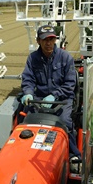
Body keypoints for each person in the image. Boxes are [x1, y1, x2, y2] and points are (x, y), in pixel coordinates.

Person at [20, 24, 81, 172]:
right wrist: (28, 92)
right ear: (38, 41)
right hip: (39, 99)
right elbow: (28, 79)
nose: (48, 43)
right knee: (28, 122)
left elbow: (70, 84)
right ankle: (26, 153)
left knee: (64, 122)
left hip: (63, 99)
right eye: (45, 40)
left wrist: (54, 96)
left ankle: (73, 154)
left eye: (51, 39)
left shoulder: (65, 57)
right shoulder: (33, 58)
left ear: (55, 40)